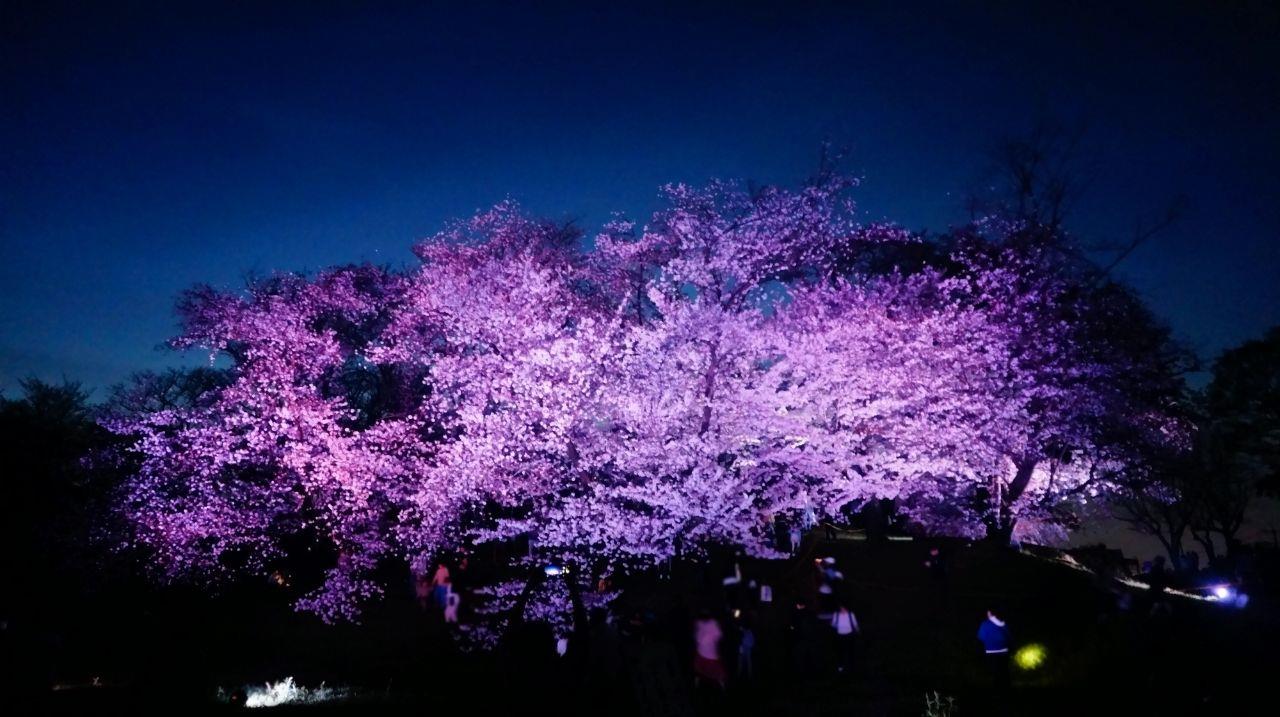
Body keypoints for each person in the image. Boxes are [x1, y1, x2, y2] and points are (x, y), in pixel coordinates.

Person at [977, 608, 1010, 689]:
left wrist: (988, 642)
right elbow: (1009, 636)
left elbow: (980, 636)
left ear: (989, 613)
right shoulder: (1003, 622)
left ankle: (995, 690)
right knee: (1003, 671)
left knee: (993, 672)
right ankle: (1004, 688)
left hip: (990, 651)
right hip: (1003, 651)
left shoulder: (985, 624)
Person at [693, 612, 727, 689]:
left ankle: (697, 685)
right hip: (706, 654)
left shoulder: (708, 624)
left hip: (705, 653)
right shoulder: (703, 624)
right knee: (701, 670)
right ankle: (722, 687)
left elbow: (718, 636)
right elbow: (719, 636)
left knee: (700, 670)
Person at [830, 603, 859, 673]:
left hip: (849, 634)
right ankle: (841, 666)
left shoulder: (850, 614)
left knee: (850, 650)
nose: (842, 609)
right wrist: (835, 624)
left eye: (844, 608)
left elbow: (855, 623)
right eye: (841, 608)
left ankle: (851, 665)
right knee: (840, 651)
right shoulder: (836, 614)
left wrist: (858, 630)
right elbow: (833, 624)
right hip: (840, 635)